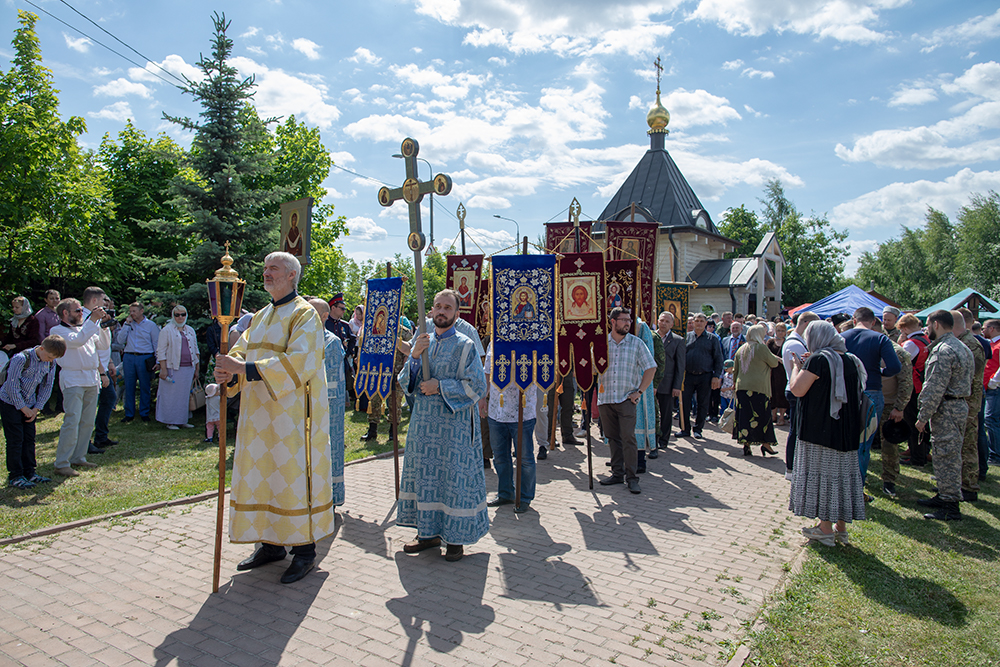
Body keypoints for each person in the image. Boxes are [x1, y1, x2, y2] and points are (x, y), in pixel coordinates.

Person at [214, 252, 334, 584]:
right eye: (265, 268)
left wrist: (244, 369)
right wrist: (229, 369)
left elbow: (302, 362)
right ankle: (270, 544)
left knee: (292, 476)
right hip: (257, 415)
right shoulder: (263, 314)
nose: (266, 273)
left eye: (274, 269)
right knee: (261, 475)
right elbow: (243, 351)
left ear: (292, 275)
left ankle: (305, 552)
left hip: (291, 418)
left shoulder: (304, 315)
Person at [398, 290, 488, 562]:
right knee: (426, 478)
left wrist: (440, 386)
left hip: (454, 427)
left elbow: (477, 386)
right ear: (431, 311)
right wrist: (414, 357)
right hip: (424, 426)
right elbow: (406, 381)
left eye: (447, 307)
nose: (441, 311)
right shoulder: (421, 340)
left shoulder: (466, 344)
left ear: (456, 313)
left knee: (452, 480)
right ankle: (427, 534)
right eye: (437, 306)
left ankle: (455, 539)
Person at [788, 321, 866, 546]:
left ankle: (824, 529)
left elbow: (797, 389)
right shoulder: (850, 359)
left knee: (823, 478)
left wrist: (796, 367)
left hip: (820, 430)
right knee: (842, 478)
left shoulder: (819, 360)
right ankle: (840, 527)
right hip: (846, 430)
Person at [915, 310, 974, 521]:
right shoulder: (962, 347)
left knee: (946, 455)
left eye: (928, 325)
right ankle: (944, 495)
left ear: (937, 324)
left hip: (947, 409)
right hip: (956, 406)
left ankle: (950, 505)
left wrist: (923, 417)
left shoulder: (943, 350)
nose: (926, 329)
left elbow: (934, 388)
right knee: (948, 453)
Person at [598, 307, 657, 494]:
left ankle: (632, 478)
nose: (627, 323)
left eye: (629, 320)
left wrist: (639, 391)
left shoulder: (636, 343)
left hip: (626, 398)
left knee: (628, 438)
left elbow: (651, 367)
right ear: (613, 322)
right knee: (613, 439)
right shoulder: (601, 344)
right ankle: (617, 473)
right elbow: (592, 367)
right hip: (606, 398)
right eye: (623, 320)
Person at [842, 307, 901, 486]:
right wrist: (880, 372)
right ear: (874, 322)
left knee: (845, 437)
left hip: (846, 391)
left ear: (854, 320)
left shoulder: (842, 337)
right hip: (872, 390)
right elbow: (895, 367)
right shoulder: (880, 338)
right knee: (864, 442)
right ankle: (859, 482)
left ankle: (845, 480)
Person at [51, 298, 106, 477]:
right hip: (73, 379)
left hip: (91, 378)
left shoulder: (84, 328)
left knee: (88, 421)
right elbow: (78, 341)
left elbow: (102, 346)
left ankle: (79, 456)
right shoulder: (57, 331)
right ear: (65, 313)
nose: (82, 314)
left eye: (82, 311)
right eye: (77, 311)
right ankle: (61, 462)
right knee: (72, 420)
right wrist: (93, 320)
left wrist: (103, 325)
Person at [1, 335, 65, 488]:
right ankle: (15, 475)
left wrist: (36, 408)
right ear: (41, 348)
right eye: (49, 356)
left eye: (53, 358)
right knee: (16, 440)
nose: (50, 360)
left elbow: (47, 386)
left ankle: (30, 472)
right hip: (10, 403)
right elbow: (12, 386)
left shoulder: (51, 362)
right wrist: (23, 408)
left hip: (31, 405)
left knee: (29, 439)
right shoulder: (21, 359)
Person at [483, 342, 537, 513]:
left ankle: (525, 496)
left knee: (525, 458)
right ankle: (506, 493)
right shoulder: (493, 342)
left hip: (522, 409)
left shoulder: (531, 341)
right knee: (500, 456)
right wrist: (483, 398)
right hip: (496, 410)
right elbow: (487, 373)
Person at [308, 297, 347, 510]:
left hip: (327, 407)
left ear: (324, 316)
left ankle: (328, 498)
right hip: (304, 406)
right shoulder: (298, 338)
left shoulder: (331, 341)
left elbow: (332, 381)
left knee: (327, 450)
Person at [874, 329, 912, 498]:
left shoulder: (898, 353)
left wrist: (900, 407)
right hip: (869, 402)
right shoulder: (869, 348)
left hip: (890, 406)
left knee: (889, 445)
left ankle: (889, 480)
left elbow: (906, 382)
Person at [733, 324, 781, 456]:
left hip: (742, 387)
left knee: (745, 416)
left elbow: (735, 370)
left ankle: (746, 444)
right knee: (763, 416)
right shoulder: (761, 348)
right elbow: (774, 363)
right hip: (758, 388)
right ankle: (766, 444)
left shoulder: (741, 349)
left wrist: (734, 385)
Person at [781, 312, 819, 480]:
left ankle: (792, 467)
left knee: (796, 430)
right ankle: (791, 468)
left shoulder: (796, 341)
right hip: (796, 390)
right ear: (805, 324)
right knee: (796, 431)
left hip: (794, 388)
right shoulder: (796, 344)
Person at [954, 309, 986, 502]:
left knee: (967, 444)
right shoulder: (965, 342)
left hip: (969, 402)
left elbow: (971, 378)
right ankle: (959, 480)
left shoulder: (971, 344)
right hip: (965, 401)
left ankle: (969, 485)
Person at [81, 287, 117, 453]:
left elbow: (103, 345)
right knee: (87, 408)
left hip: (101, 367)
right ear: (95, 301)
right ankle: (85, 442)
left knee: (109, 398)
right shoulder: (82, 318)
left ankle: (101, 436)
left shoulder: (96, 319)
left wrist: (109, 362)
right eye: (104, 302)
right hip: (91, 370)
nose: (105, 306)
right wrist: (101, 372)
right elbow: (90, 349)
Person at [678, 314, 723, 440]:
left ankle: (698, 429)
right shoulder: (686, 337)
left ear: (706, 323)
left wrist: (716, 376)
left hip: (705, 376)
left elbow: (718, 359)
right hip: (688, 376)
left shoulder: (712, 339)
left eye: (701, 321)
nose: (698, 323)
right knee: (685, 403)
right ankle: (685, 429)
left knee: (703, 404)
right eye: (696, 321)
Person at [155, 305, 199, 430]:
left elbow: (196, 350)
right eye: (177, 315)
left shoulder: (190, 330)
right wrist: (163, 369)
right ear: (173, 316)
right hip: (173, 367)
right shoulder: (167, 330)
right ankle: (170, 421)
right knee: (171, 395)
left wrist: (197, 368)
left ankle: (182, 420)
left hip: (188, 367)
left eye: (183, 314)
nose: (180, 317)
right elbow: (161, 351)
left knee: (184, 395)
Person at [116, 302, 160, 423]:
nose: (132, 313)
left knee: (144, 386)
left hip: (145, 357)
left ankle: (144, 413)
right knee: (129, 386)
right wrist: (126, 325)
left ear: (141, 311)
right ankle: (129, 413)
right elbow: (120, 340)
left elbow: (156, 343)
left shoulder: (151, 325)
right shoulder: (128, 324)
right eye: (131, 311)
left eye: (134, 311)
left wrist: (158, 360)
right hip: (129, 357)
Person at [898, 314, 932, 467]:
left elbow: (899, 361)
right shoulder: (926, 340)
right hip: (922, 384)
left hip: (912, 386)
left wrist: (900, 342)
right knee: (921, 423)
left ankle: (917, 457)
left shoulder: (910, 344)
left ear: (904, 328)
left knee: (913, 423)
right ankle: (922, 453)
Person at [654, 311, 685, 456]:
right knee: (652, 412)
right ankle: (652, 436)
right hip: (650, 382)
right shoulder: (651, 337)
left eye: (667, 321)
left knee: (666, 413)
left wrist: (677, 386)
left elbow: (680, 365)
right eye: (662, 320)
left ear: (672, 324)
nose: (664, 323)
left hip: (667, 383)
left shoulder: (677, 340)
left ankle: (663, 439)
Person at [327, 294, 358, 405]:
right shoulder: (324, 323)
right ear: (333, 307)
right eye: (342, 308)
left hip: (341, 362)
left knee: (341, 386)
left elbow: (353, 339)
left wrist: (349, 352)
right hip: (326, 362)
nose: (344, 311)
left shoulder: (344, 325)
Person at [983, 319, 1000, 466]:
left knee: (991, 420)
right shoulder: (993, 344)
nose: (982, 330)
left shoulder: (999, 345)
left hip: (994, 389)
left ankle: (995, 455)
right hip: (990, 387)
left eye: (984, 328)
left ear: (992, 328)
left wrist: (993, 383)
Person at [768, 322, 790, 426]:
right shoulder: (770, 342)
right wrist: (777, 359)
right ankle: (773, 415)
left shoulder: (787, 342)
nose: (780, 333)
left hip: (783, 372)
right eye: (778, 330)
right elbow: (766, 354)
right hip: (772, 371)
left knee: (782, 394)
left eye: (782, 331)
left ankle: (782, 416)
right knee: (772, 393)